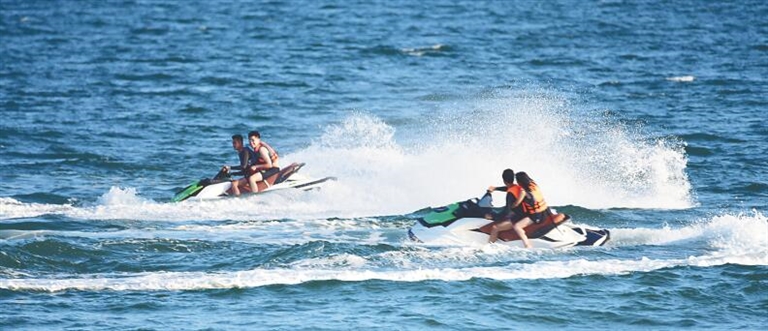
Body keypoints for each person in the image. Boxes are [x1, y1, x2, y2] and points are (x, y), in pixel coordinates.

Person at [509, 171, 552, 249]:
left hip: (537, 216)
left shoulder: (523, 192)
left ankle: (527, 245)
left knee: (517, 226)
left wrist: (510, 206)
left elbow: (516, 204)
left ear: (519, 182)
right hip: (546, 211)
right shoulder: (534, 184)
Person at [485, 169, 526, 244]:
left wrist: (493, 216)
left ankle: (488, 248)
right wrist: (496, 188)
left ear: (504, 180)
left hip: (518, 218)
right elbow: (508, 188)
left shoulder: (510, 194)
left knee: (495, 228)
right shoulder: (516, 187)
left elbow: (507, 212)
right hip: (523, 213)